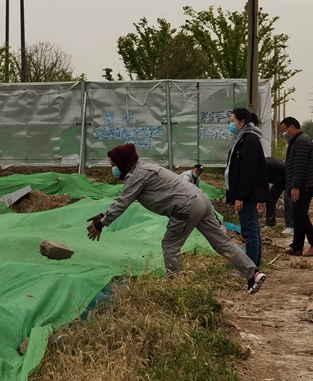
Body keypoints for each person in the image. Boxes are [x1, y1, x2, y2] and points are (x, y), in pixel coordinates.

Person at [86, 143, 265, 294]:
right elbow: (123, 200)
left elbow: (123, 201)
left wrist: (102, 223)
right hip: (200, 199)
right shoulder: (144, 169)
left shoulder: (137, 176)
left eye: (113, 164)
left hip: (186, 207)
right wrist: (102, 216)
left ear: (122, 162)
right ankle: (253, 274)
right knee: (221, 243)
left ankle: (174, 289)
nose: (113, 169)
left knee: (170, 246)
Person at [224, 109, 270, 270]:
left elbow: (247, 171)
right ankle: (254, 266)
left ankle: (250, 269)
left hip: (248, 195)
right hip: (248, 194)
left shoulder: (249, 140)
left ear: (242, 122)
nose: (231, 124)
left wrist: (240, 196)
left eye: (233, 121)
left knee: (249, 231)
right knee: (253, 229)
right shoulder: (244, 138)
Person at [279, 117, 313, 256]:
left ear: (291, 127)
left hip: (304, 186)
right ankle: (297, 246)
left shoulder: (302, 141)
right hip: (300, 185)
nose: (284, 133)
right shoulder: (297, 140)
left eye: (285, 130)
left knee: (300, 215)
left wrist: (295, 186)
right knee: (296, 215)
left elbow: (300, 166)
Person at [265, 156, 294, 232]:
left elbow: (286, 166)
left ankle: (290, 226)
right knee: (270, 198)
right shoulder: (256, 172)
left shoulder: (267, 162)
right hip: (279, 181)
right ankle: (270, 224)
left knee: (287, 198)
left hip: (289, 177)